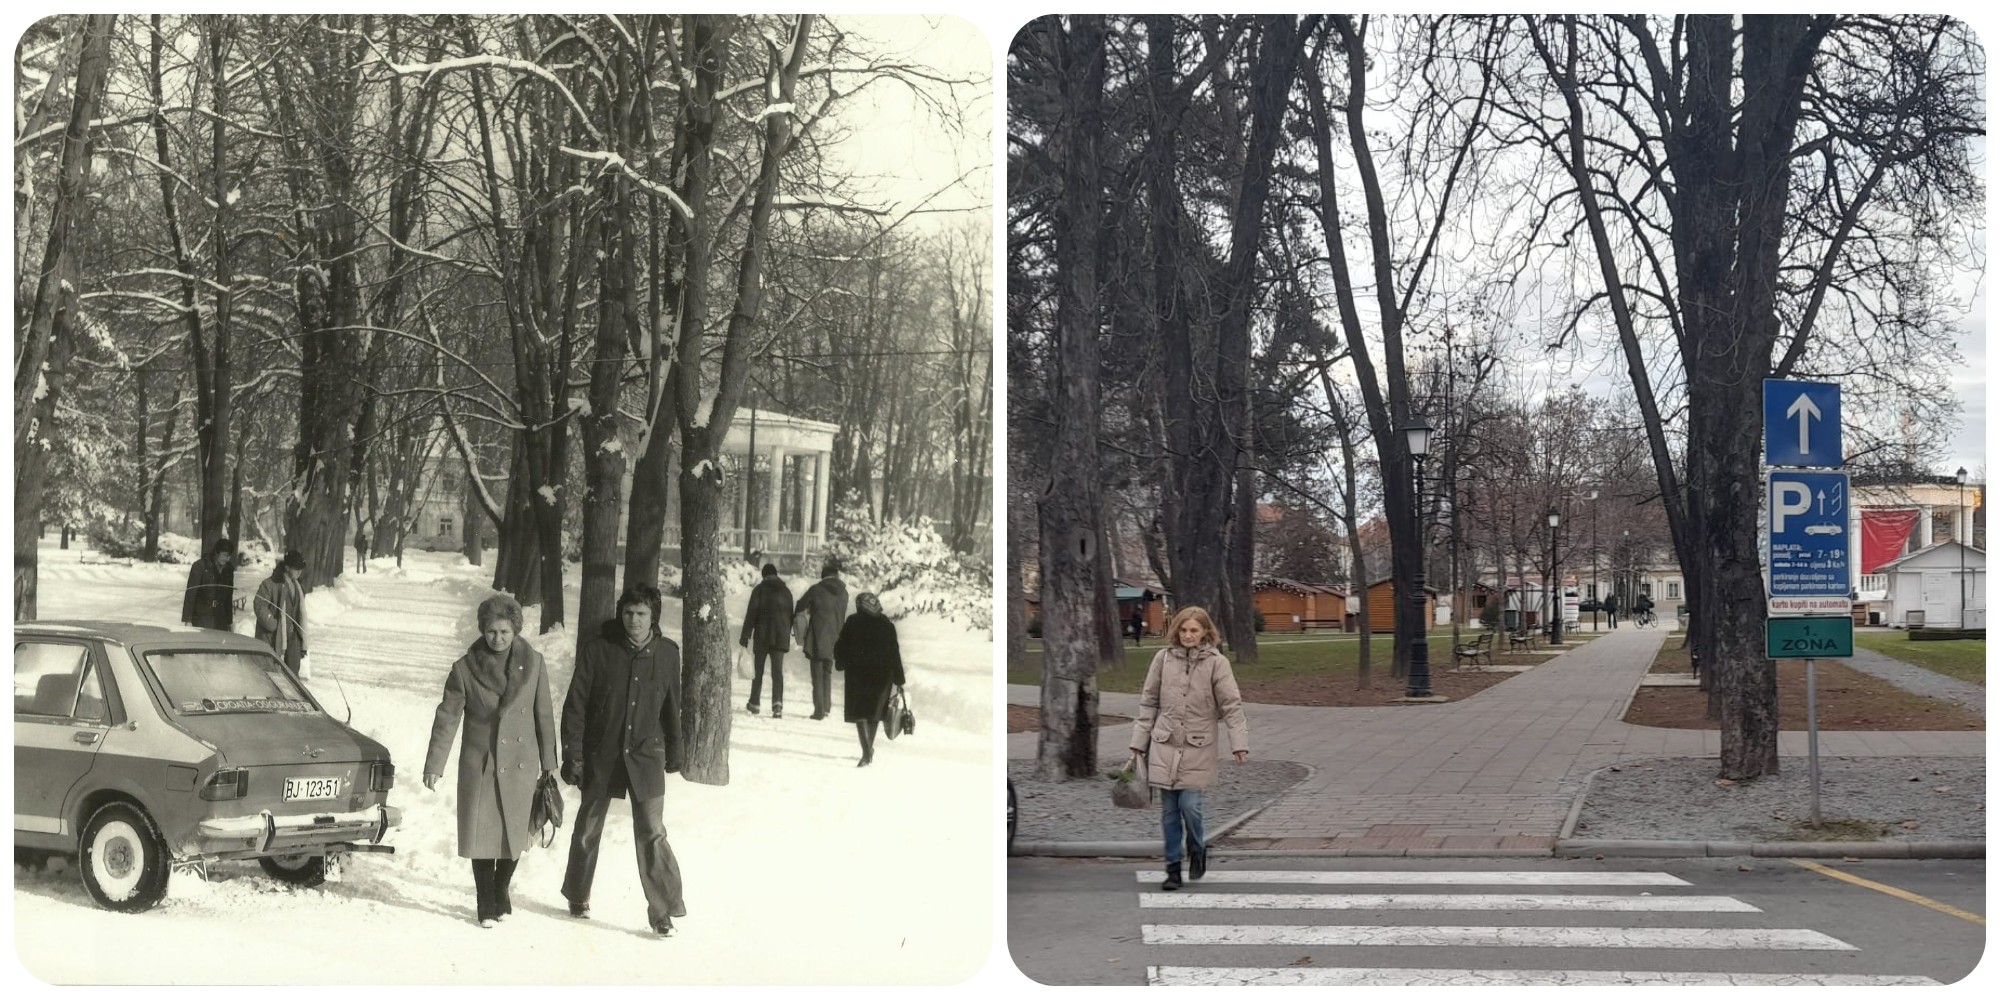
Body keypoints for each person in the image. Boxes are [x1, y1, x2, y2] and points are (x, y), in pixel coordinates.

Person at [423, 594, 558, 928]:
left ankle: (501, 887)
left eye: (505, 632)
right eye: (491, 632)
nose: (497, 638)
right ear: (482, 629)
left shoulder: (535, 663)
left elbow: (544, 714)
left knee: (515, 833)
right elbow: (447, 719)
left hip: (521, 763)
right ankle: (486, 901)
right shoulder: (464, 669)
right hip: (480, 764)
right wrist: (434, 765)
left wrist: (550, 761)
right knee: (481, 836)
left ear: (515, 631)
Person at [560, 584, 686, 938]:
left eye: (641, 613)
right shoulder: (599, 650)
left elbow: (672, 707)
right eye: (628, 612)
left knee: (652, 833)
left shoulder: (667, 653)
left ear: (653, 616)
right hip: (603, 753)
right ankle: (578, 894)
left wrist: (675, 748)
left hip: (646, 756)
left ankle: (662, 912)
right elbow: (576, 706)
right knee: (588, 828)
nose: (634, 619)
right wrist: (574, 755)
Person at [1128, 605, 1248, 892]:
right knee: (1169, 812)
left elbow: (1231, 705)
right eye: (1183, 630)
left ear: (1205, 632)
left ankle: (1197, 846)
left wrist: (1239, 744)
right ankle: (1172, 869)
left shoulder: (1217, 663)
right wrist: (1137, 744)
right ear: (1176, 631)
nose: (1188, 635)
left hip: (1198, 744)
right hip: (1164, 743)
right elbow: (1148, 703)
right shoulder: (1162, 659)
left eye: (1194, 630)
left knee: (1190, 806)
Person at [834, 591, 905, 767]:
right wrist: (899, 679)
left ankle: (866, 752)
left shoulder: (852, 622)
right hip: (882, 677)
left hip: (857, 675)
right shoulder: (887, 625)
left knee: (860, 715)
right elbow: (894, 653)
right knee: (873, 715)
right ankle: (868, 750)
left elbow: (841, 646)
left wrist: (841, 662)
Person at [793, 560, 849, 721]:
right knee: (827, 673)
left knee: (817, 675)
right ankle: (826, 707)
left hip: (817, 637)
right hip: (836, 638)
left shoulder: (816, 590)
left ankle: (819, 710)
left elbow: (800, 606)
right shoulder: (844, 593)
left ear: (823, 576)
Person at [739, 563, 795, 718]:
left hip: (762, 637)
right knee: (777, 672)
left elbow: (751, 613)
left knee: (758, 670)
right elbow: (791, 615)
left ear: (764, 576)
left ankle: (754, 703)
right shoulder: (786, 591)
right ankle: (777, 705)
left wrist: (745, 636)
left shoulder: (759, 590)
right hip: (780, 638)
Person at [255, 551, 308, 674]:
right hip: (275, 636)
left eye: (301, 569)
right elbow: (259, 605)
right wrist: (273, 625)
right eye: (296, 568)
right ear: (287, 567)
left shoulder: (299, 586)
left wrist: (302, 638)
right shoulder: (270, 584)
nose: (299, 572)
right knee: (274, 675)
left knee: (293, 676)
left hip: (293, 637)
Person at [182, 538, 237, 630]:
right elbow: (190, 594)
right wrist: (187, 620)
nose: (227, 559)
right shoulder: (200, 566)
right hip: (201, 617)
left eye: (229, 556)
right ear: (216, 553)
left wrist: (229, 621)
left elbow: (228, 597)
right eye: (225, 555)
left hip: (220, 618)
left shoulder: (229, 569)